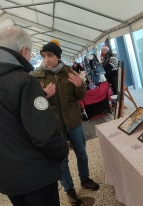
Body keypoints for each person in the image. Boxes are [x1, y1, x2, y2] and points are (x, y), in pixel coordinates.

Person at [0, 26, 69, 206]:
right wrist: (62, 150)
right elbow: (45, 134)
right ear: (24, 51)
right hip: (36, 175)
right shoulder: (24, 80)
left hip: (7, 175)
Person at [30, 39, 100, 205]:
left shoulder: (70, 72)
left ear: (58, 56)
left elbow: (81, 97)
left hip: (74, 122)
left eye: (50, 55)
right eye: (44, 55)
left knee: (82, 153)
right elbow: (34, 105)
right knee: (62, 160)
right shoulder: (35, 77)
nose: (47, 59)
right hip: (54, 127)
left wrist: (80, 85)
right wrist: (44, 96)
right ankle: (69, 189)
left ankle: (85, 179)